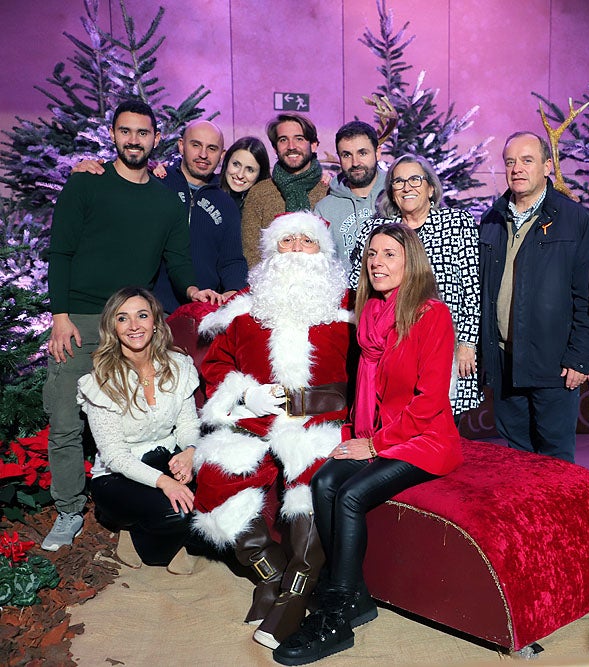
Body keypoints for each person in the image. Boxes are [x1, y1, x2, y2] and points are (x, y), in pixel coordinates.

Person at [273, 223, 462, 666]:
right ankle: (356, 595)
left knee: (352, 494)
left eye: (389, 254)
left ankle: (336, 614)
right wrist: (359, 436)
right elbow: (368, 389)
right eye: (372, 254)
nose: (377, 262)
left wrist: (374, 446)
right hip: (374, 434)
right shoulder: (371, 311)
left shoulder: (431, 314)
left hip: (423, 439)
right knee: (323, 483)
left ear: (410, 262)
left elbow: (430, 402)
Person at [42, 99, 220, 552]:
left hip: (134, 322)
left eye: (143, 133)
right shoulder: (85, 186)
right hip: (81, 319)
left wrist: (194, 289)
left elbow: (177, 260)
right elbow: (59, 252)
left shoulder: (164, 201)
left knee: (146, 414)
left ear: (155, 138)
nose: (134, 140)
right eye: (126, 132)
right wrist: (59, 317)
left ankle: (137, 496)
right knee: (65, 421)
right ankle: (68, 510)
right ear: (114, 135)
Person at [191, 211, 353, 649]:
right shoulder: (247, 306)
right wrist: (245, 393)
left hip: (322, 416)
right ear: (271, 250)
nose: (297, 249)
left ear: (324, 251)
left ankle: (297, 589)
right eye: (287, 242)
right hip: (257, 414)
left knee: (312, 480)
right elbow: (218, 363)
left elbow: (374, 365)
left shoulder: (349, 306)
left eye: (307, 241)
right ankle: (270, 572)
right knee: (214, 474)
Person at [479, 131, 589, 462]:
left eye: (527, 160)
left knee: (556, 461)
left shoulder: (574, 219)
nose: (517, 168)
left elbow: (586, 294)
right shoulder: (491, 219)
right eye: (510, 161)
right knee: (517, 459)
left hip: (553, 364)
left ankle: (558, 517)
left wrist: (580, 356)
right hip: (504, 361)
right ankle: (526, 517)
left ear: (546, 166)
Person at [350, 154, 482, 420]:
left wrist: (467, 342)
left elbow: (471, 287)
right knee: (389, 422)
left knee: (435, 422)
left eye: (414, 179)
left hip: (442, 344)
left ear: (431, 187)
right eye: (398, 181)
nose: (407, 187)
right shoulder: (374, 230)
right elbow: (358, 286)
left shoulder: (457, 224)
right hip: (390, 348)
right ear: (390, 191)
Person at [70, 120, 247, 312]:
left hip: (202, 311)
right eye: (195, 145)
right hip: (149, 309)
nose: (203, 154)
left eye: (212, 148)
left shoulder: (226, 204)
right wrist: (87, 172)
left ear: (222, 155)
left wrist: (233, 291)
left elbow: (232, 260)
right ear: (181, 146)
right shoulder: (154, 183)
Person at [80, 287, 198, 567]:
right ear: (113, 327)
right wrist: (166, 483)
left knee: (212, 499)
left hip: (165, 460)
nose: (134, 326)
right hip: (118, 477)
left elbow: (188, 424)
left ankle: (175, 533)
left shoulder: (178, 365)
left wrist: (192, 450)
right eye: (123, 318)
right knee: (177, 514)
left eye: (142, 316)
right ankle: (135, 538)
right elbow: (115, 456)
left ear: (155, 322)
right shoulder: (101, 381)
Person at [242, 113, 329, 268]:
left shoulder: (329, 190)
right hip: (272, 286)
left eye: (299, 139)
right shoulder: (259, 194)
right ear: (275, 148)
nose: (291, 146)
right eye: (283, 140)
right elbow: (251, 252)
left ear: (314, 144)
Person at [314, 121, 387, 274]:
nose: (355, 163)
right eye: (346, 155)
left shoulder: (397, 196)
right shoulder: (324, 209)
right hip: (347, 295)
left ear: (378, 152)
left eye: (363, 153)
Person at [219, 135, 271, 208]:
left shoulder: (266, 205)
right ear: (227, 161)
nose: (240, 175)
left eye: (250, 170)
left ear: (260, 174)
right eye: (236, 164)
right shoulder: (208, 190)